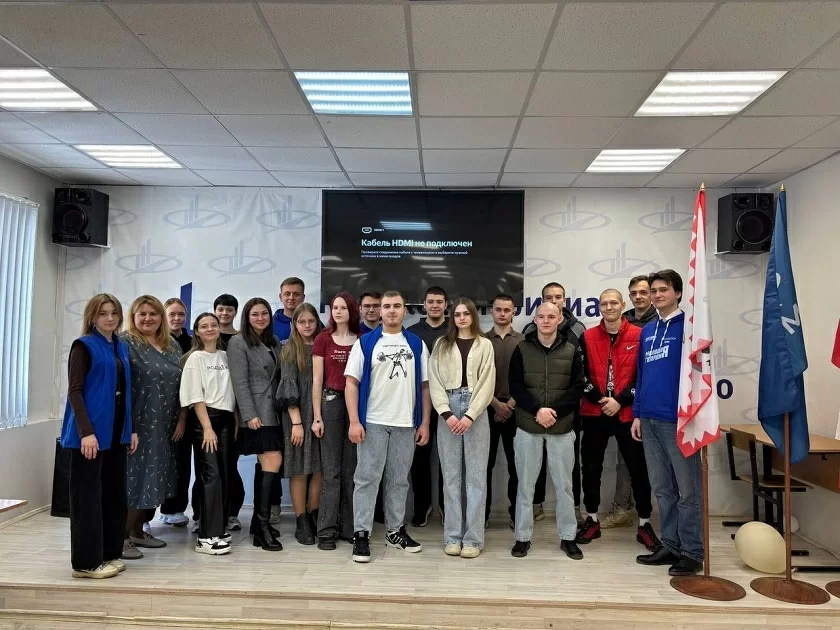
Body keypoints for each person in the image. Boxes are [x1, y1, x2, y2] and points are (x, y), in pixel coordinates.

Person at [345, 290, 431, 563]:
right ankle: (361, 534)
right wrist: (354, 421)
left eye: (397, 306)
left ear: (405, 310)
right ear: (379, 311)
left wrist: (424, 422)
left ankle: (395, 532)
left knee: (398, 480)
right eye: (387, 306)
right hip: (373, 422)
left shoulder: (416, 344)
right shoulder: (365, 343)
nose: (392, 310)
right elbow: (351, 383)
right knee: (366, 479)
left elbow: (425, 386)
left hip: (406, 423)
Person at [575, 289, 661, 553]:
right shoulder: (587, 336)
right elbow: (579, 374)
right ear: (598, 307)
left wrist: (620, 400)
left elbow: (644, 375)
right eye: (604, 303)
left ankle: (644, 524)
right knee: (591, 468)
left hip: (627, 414)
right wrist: (601, 399)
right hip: (594, 412)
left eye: (614, 302)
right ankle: (592, 520)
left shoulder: (639, 335)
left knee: (638, 470)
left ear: (623, 305)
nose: (609, 307)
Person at [63, 294, 138, 579]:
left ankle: (108, 554)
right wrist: (86, 433)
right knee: (88, 499)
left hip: (116, 433)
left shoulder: (120, 346)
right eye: (103, 313)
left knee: (114, 495)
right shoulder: (83, 346)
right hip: (90, 436)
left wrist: (130, 428)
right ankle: (86, 563)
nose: (110, 318)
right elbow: (75, 392)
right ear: (92, 317)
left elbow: (124, 391)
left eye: (114, 313)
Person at [633, 269, 702, 577]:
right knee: (662, 489)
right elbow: (641, 375)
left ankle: (692, 551)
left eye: (663, 289)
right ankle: (671, 545)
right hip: (649, 419)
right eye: (654, 290)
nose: (657, 295)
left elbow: (700, 373)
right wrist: (637, 413)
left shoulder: (690, 327)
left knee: (688, 491)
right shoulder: (647, 330)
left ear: (677, 293)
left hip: (679, 421)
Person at [509, 302, 585, 560]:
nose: (546, 320)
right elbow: (515, 385)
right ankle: (522, 538)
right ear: (535, 319)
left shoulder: (572, 349)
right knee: (525, 486)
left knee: (565, 487)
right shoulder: (522, 348)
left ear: (560, 318)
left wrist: (553, 412)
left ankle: (568, 537)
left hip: (561, 427)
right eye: (541, 316)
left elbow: (577, 388)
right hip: (528, 427)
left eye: (551, 316)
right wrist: (537, 410)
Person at [428, 298, 495, 558]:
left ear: (473, 316)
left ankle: (473, 540)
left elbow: (487, 382)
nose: (462, 318)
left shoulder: (485, 344)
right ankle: (453, 537)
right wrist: (446, 413)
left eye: (466, 313)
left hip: (476, 407)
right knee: (451, 477)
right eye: (457, 314)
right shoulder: (441, 344)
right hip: (448, 406)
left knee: (476, 477)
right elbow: (434, 380)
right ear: (452, 317)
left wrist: (470, 415)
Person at [120, 296, 184, 560]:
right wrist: (129, 426)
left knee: (155, 478)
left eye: (153, 314)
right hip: (138, 423)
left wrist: (181, 419)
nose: (148, 319)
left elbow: (183, 386)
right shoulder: (125, 343)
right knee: (135, 480)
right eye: (142, 314)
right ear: (133, 316)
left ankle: (137, 531)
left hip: (166, 424)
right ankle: (121, 538)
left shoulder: (172, 345)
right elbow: (121, 387)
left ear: (161, 317)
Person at [522, 282, 586, 526]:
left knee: (569, 466)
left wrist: (559, 408)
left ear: (564, 302)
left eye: (558, 297)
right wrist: (537, 408)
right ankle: (536, 505)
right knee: (534, 464)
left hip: (567, 411)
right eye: (548, 297)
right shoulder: (530, 329)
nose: (553, 300)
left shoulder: (578, 329)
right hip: (534, 411)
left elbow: (580, 375)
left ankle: (574, 510)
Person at [600, 274, 657, 530]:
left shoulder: (661, 321)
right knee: (627, 461)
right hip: (626, 406)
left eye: (643, 292)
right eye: (634, 293)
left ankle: (657, 517)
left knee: (654, 463)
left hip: (654, 403)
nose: (639, 297)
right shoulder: (622, 323)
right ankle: (623, 508)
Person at [227, 298, 283, 552]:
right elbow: (239, 381)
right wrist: (249, 414)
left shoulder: (273, 341)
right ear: (247, 317)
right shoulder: (238, 342)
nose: (261, 318)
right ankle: (261, 525)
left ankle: (259, 525)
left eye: (264, 313)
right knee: (271, 460)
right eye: (255, 314)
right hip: (256, 413)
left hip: (274, 412)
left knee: (268, 465)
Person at [180, 312, 235, 556]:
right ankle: (206, 537)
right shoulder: (195, 358)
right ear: (197, 332)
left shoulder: (225, 356)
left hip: (226, 419)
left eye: (214, 325)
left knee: (223, 475)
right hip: (205, 420)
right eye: (204, 326)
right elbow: (195, 396)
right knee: (210, 476)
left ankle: (218, 529)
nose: (210, 328)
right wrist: (207, 428)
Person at [312, 292, 360, 550]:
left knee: (351, 471)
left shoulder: (361, 339)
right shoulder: (323, 339)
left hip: (355, 408)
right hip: (330, 404)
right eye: (334, 307)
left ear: (352, 310)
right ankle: (326, 531)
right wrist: (317, 417)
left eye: (343, 307)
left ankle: (349, 528)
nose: (338, 311)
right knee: (331, 471)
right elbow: (317, 380)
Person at [277, 303, 322, 545]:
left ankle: (314, 514)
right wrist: (296, 423)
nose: (306, 325)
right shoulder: (289, 350)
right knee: (300, 468)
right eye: (301, 321)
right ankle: (301, 519)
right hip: (298, 416)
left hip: (321, 414)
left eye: (310, 321)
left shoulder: (323, 345)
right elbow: (288, 386)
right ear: (294, 324)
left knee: (319, 467)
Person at [406, 286, 449, 527]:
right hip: (418, 404)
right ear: (423, 304)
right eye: (430, 301)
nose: (434, 305)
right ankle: (421, 507)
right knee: (419, 459)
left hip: (448, 405)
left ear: (446, 305)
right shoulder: (412, 333)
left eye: (439, 301)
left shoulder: (454, 330)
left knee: (447, 459)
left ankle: (445, 506)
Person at [484, 293, 523, 529]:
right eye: (498, 309)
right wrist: (495, 404)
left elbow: (528, 377)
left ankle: (515, 514)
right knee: (484, 466)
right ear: (492, 311)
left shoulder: (524, 340)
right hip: (486, 410)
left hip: (516, 410)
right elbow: (475, 378)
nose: (502, 313)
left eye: (507, 310)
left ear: (514, 312)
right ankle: (482, 515)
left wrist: (511, 404)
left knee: (516, 466)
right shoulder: (481, 340)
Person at [159, 298, 193, 529]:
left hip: (187, 409)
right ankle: (145, 515)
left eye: (181, 314)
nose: (177, 318)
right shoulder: (156, 341)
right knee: (158, 461)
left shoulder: (192, 342)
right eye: (172, 314)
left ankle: (175, 509)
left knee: (181, 461)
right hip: (159, 409)